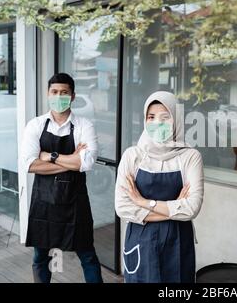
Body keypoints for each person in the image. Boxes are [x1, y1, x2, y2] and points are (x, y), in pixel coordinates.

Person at [21, 73, 103, 283]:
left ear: (73, 96)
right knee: (40, 257)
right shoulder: (36, 125)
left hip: (75, 203)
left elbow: (86, 163)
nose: (59, 96)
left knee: (88, 256)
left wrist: (50, 156)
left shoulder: (85, 125)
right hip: (44, 203)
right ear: (48, 94)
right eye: (54, 92)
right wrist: (71, 160)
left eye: (64, 92)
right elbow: (29, 165)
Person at [115, 91, 204, 283]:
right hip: (140, 240)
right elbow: (122, 207)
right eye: (151, 117)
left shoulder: (190, 157)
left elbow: (191, 208)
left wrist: (142, 202)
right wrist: (173, 208)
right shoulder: (132, 156)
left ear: (176, 120)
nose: (157, 123)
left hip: (178, 240)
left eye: (165, 117)